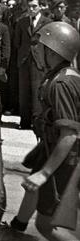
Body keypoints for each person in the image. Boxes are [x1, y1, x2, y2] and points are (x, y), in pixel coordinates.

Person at [21, 22, 80, 241]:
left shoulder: (60, 84)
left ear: (53, 50)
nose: (37, 50)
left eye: (42, 47)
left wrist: (45, 173)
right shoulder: (68, 74)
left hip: (66, 160)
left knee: (47, 225)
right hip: (54, 151)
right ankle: (18, 225)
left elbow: (69, 134)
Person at [14, 0, 51, 129]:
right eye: (29, 6)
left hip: (39, 61)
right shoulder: (21, 21)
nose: (31, 9)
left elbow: (49, 43)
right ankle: (24, 121)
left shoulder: (47, 22)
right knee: (23, 91)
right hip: (24, 60)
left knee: (37, 91)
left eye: (34, 6)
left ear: (41, 6)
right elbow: (17, 43)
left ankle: (37, 122)